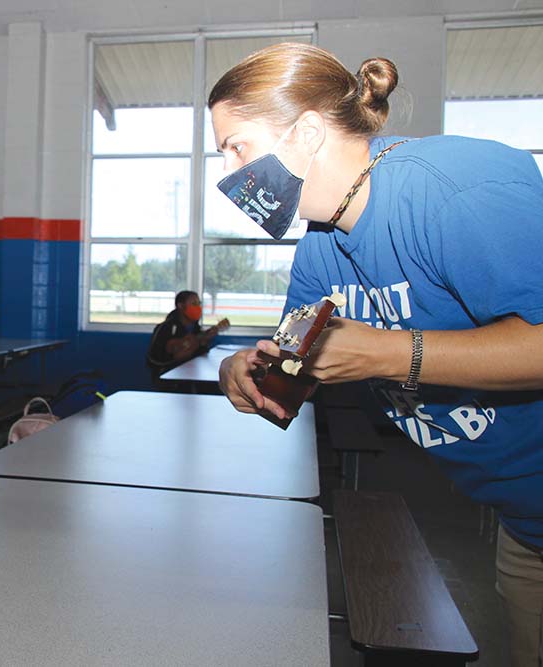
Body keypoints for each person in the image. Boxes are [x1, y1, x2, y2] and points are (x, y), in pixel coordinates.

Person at [208, 42, 543, 667]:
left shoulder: (454, 186)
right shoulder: (319, 252)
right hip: (524, 522)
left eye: (236, 147)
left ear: (307, 132)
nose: (228, 173)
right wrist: (245, 372)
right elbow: (293, 365)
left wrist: (391, 355)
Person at [146, 291, 222, 383]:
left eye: (199, 304)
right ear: (181, 306)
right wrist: (173, 359)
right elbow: (152, 360)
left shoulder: (196, 328)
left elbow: (198, 355)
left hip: (193, 376)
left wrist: (204, 342)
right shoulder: (165, 328)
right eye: (194, 304)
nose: (198, 307)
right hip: (169, 380)